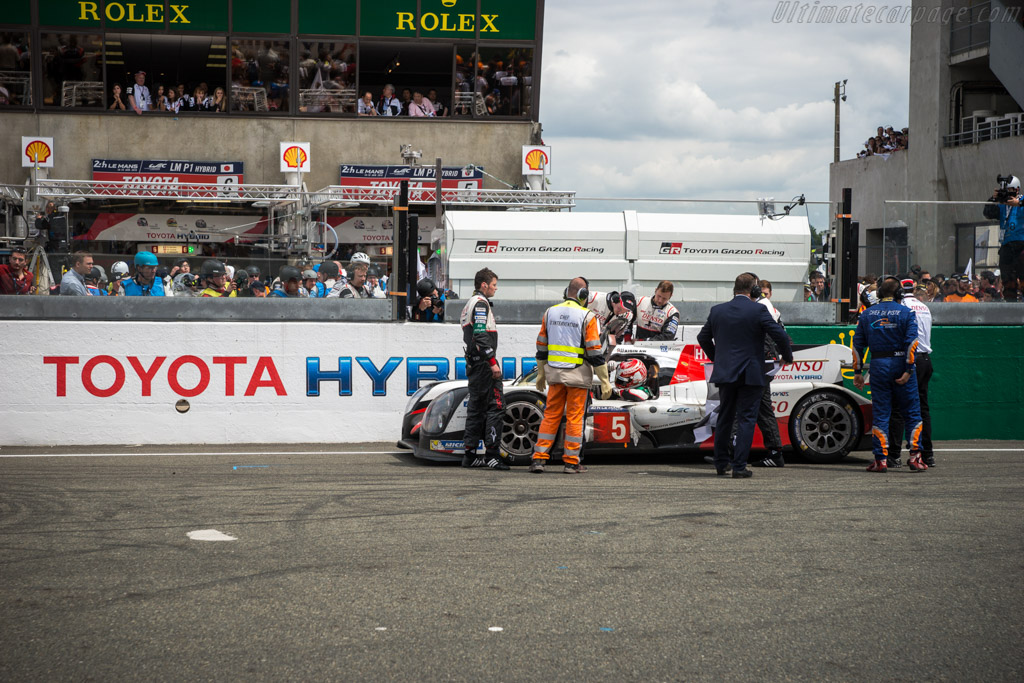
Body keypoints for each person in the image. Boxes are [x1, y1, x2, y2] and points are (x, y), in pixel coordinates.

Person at [697, 273, 793, 478]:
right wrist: (787, 356)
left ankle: (722, 463)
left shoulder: (717, 311)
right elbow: (781, 335)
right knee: (746, 419)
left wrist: (717, 358)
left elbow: (702, 337)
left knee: (725, 418)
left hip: (725, 373)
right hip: (751, 373)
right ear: (754, 291)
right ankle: (739, 466)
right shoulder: (758, 309)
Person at [530, 277, 611, 474]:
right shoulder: (587, 316)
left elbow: (541, 346)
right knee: (575, 418)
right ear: (583, 295)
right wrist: (605, 381)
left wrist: (541, 373)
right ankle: (571, 462)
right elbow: (594, 352)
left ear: (567, 291)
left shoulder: (550, 312)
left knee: (550, 415)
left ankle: (539, 459)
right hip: (577, 376)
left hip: (555, 374)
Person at [852, 277, 927, 472]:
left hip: (878, 365)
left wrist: (858, 372)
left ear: (878, 294)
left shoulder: (867, 314)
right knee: (911, 412)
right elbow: (912, 344)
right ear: (899, 294)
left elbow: (857, 345)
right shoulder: (907, 313)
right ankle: (915, 457)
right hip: (901, 363)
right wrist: (909, 370)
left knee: (881, 413)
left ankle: (880, 460)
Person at [459, 268, 509, 470]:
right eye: (494, 285)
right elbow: (480, 335)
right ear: (484, 285)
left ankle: (470, 456)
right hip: (483, 364)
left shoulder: (470, 302)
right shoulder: (481, 304)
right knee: (496, 407)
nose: (496, 289)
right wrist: (492, 362)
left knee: (476, 410)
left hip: (474, 362)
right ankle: (492, 456)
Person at [888, 278, 935, 468]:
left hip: (908, 358)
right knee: (922, 408)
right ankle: (927, 454)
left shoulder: (900, 307)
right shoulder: (924, 307)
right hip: (925, 359)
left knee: (898, 408)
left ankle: (893, 455)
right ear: (914, 289)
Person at [988, 175, 1023, 301]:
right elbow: (988, 213)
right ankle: (1011, 302)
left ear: (1017, 190)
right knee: (1008, 279)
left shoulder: (1021, 200)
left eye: (1010, 191)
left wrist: (1018, 203)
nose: (1008, 194)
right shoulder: (1002, 205)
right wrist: (994, 198)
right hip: (1006, 246)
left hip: (1021, 244)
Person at [586, 289, 636, 356]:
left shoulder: (627, 315)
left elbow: (616, 338)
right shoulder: (594, 298)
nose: (620, 312)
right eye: (619, 308)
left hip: (597, 347)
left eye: (624, 311)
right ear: (615, 300)